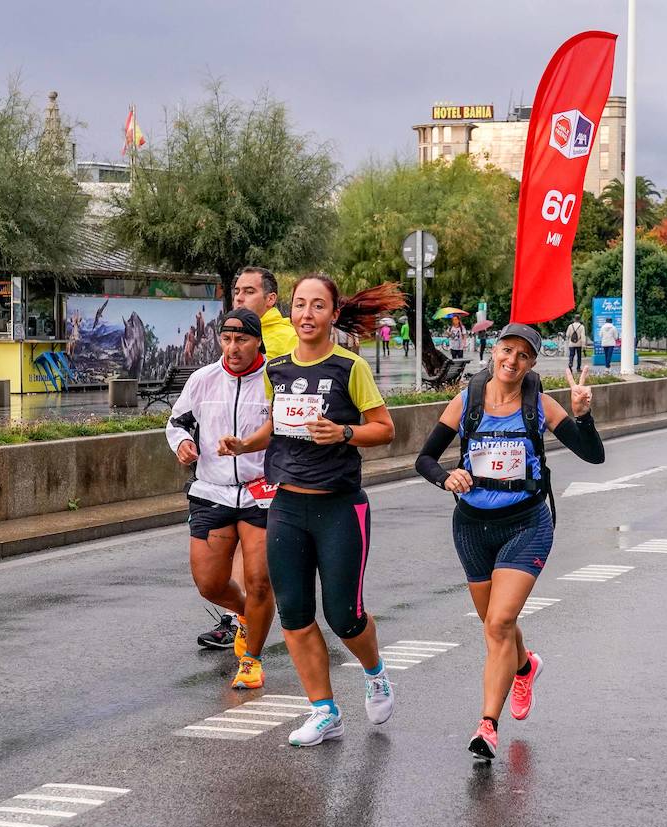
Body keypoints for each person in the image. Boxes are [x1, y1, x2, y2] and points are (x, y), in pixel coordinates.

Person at [218, 274, 400, 747]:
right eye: (301, 305)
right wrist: (245, 443)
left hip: (339, 507)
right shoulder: (275, 368)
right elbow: (273, 425)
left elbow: (384, 429)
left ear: (332, 315)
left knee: (345, 616)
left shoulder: (349, 366)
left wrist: (343, 433)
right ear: (290, 311)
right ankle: (324, 711)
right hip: (287, 506)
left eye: (318, 306)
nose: (307, 314)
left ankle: (375, 671)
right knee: (295, 613)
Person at [414, 325, 605, 761]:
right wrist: (447, 477)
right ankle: (525, 666)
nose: (513, 360)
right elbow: (423, 459)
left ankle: (487, 726)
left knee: (499, 624)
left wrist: (583, 414)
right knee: (495, 625)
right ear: (493, 353)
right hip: (471, 527)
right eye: (507, 350)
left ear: (532, 363)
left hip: (526, 523)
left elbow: (593, 455)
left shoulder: (540, 404)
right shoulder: (467, 402)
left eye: (523, 355)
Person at [168, 310, 275, 689]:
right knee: (210, 584)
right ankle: (250, 616)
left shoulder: (274, 379)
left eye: (241, 340)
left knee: (259, 581)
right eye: (227, 340)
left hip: (261, 491)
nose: (233, 348)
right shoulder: (203, 379)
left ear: (257, 341)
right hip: (211, 491)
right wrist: (182, 443)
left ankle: (252, 659)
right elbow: (177, 421)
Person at [193, 267, 297, 652]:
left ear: (270, 299)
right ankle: (242, 615)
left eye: (249, 291)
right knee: (219, 569)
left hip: (267, 476)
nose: (239, 298)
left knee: (257, 569)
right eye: (236, 291)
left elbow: (285, 409)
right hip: (222, 482)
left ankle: (245, 628)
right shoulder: (234, 336)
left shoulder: (284, 338)